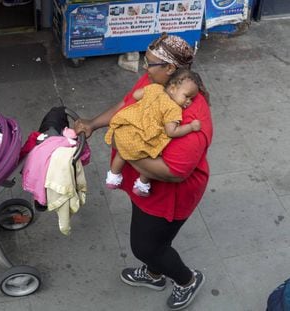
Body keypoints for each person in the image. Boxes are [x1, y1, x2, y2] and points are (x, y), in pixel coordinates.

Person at [74, 32, 213, 310]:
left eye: (150, 63)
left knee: (146, 246)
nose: (144, 68)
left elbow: (174, 172)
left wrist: (126, 149)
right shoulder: (155, 82)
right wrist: (92, 123)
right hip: (145, 183)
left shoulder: (191, 118)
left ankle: (186, 280)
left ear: (170, 68)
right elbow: (127, 106)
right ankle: (154, 271)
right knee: (153, 239)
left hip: (170, 193)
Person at [104, 68, 203, 197]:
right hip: (143, 138)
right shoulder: (173, 109)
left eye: (191, 99)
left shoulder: (155, 88)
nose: (189, 101)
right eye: (187, 96)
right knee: (152, 156)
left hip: (127, 129)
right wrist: (191, 127)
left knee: (121, 153)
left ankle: (113, 177)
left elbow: (136, 95)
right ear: (172, 89)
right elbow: (171, 131)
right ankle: (142, 185)